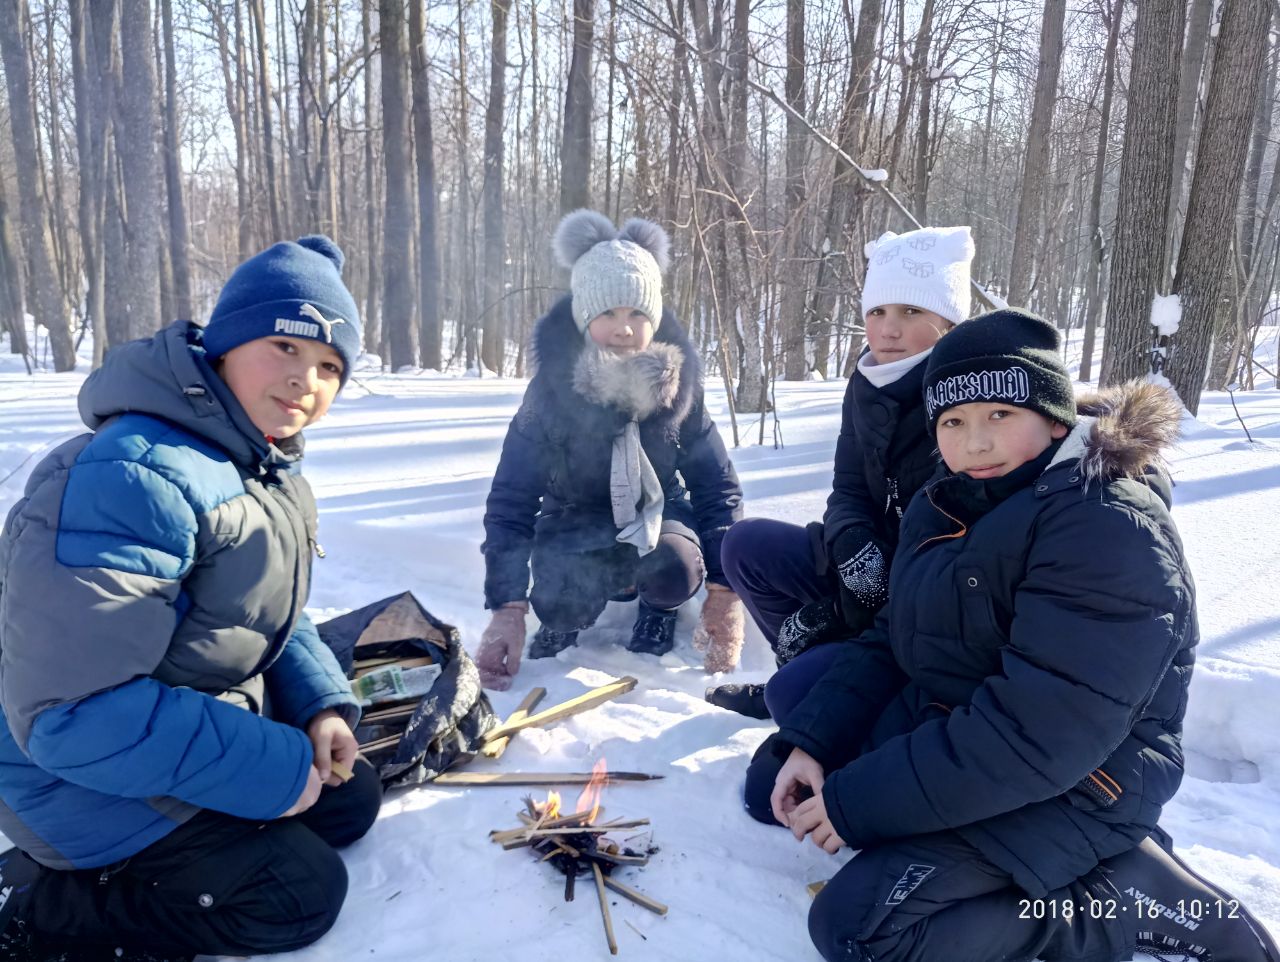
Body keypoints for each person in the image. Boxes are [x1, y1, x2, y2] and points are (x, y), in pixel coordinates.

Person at [743, 310, 1278, 962]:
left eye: (999, 414)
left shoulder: (1106, 524)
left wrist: (856, 802)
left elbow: (1038, 732)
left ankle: (1116, 901)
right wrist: (811, 742)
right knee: (774, 786)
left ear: (1054, 419)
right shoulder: (947, 502)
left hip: (1082, 780)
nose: (975, 443)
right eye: (952, 422)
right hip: (969, 726)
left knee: (860, 928)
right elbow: (891, 639)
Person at [0, 236, 382, 960]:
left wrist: (319, 708)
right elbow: (71, 716)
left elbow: (261, 613)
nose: (306, 379)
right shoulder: (133, 475)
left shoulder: (255, 463)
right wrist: (270, 764)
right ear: (226, 343)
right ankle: (37, 908)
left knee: (350, 799)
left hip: (165, 724)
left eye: (331, 366)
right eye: (285, 346)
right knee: (296, 895)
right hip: (66, 770)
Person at [709, 226, 974, 719]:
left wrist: (837, 613)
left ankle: (827, 679)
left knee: (791, 700)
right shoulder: (867, 381)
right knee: (745, 545)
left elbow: (947, 551)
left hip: (927, 607)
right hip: (867, 572)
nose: (888, 330)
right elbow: (848, 486)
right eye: (877, 312)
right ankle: (808, 667)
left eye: (910, 311)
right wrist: (850, 539)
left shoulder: (966, 401)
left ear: (949, 321)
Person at [476, 210, 745, 691]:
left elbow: (716, 485)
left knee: (676, 568)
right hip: (574, 516)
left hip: (659, 515)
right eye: (608, 314)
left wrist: (725, 592)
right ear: (585, 319)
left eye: (637, 314)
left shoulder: (679, 389)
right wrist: (508, 608)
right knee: (558, 598)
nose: (624, 329)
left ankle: (658, 608)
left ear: (654, 319)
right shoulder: (549, 393)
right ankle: (568, 616)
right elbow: (512, 498)